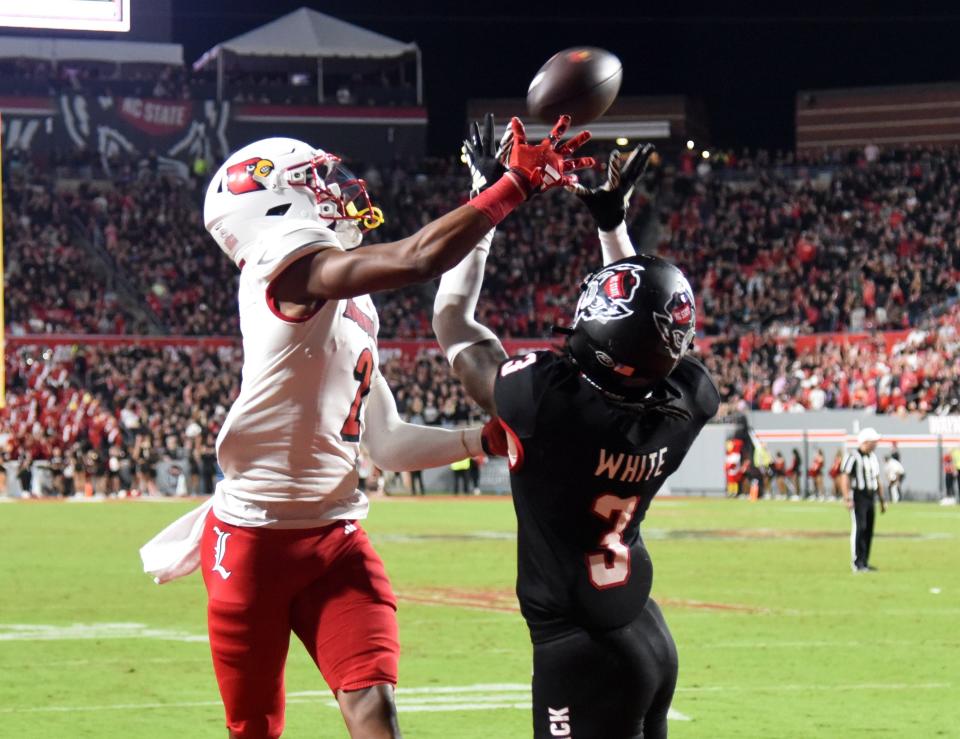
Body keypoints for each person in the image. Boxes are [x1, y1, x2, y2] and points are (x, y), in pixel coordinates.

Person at [141, 120, 591, 739]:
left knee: (374, 708)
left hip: (335, 539)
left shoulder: (350, 305)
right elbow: (417, 258)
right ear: (269, 205)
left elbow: (385, 443)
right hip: (252, 544)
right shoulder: (282, 271)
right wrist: (510, 187)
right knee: (255, 726)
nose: (335, 188)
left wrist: (477, 440)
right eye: (313, 181)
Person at [433, 116, 719, 738]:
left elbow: (452, 319)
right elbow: (646, 336)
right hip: (642, 625)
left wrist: (488, 192)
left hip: (578, 648)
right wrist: (612, 224)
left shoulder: (545, 401)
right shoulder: (688, 398)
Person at [839, 428, 886, 573]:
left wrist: (882, 499)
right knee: (860, 527)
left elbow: (877, 479)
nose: (876, 444)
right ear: (866, 441)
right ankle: (856, 562)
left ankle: (864, 561)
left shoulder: (873, 457)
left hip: (870, 495)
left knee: (869, 529)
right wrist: (847, 497)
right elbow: (845, 477)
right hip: (858, 495)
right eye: (874, 441)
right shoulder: (853, 456)